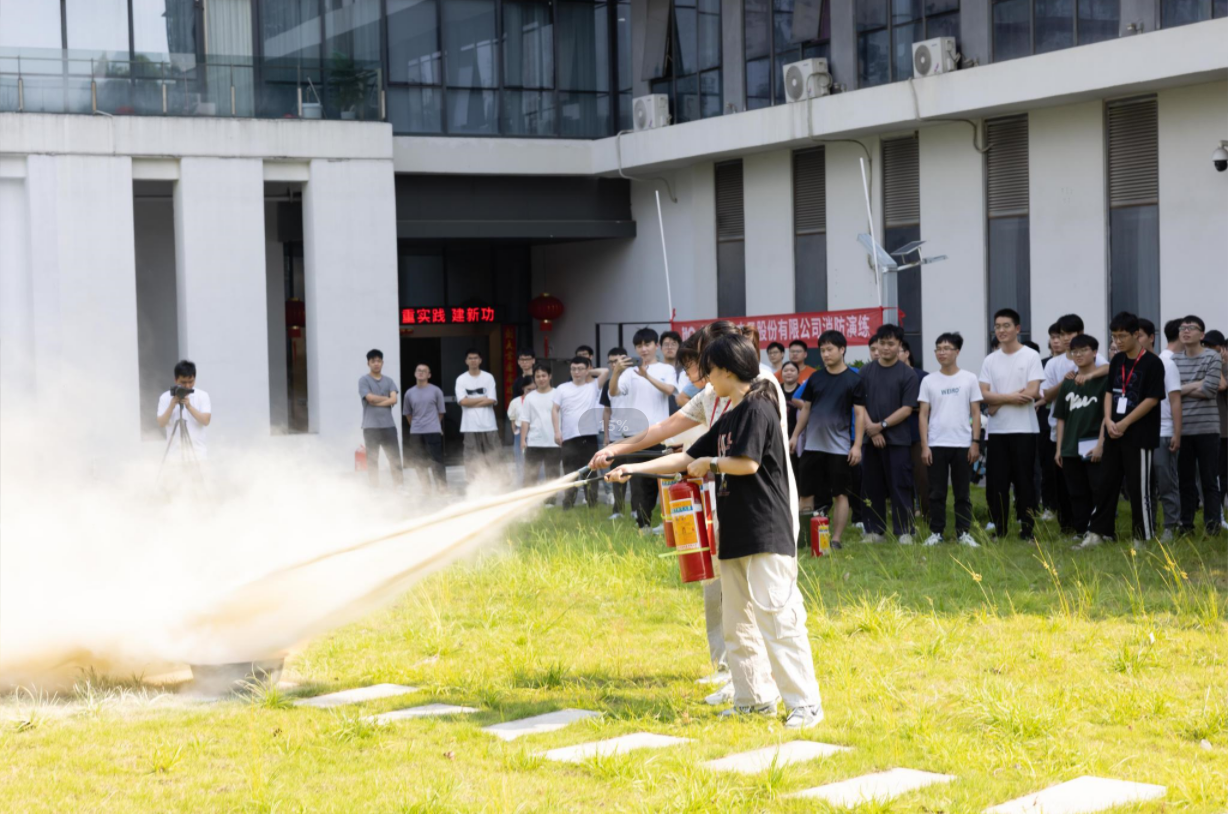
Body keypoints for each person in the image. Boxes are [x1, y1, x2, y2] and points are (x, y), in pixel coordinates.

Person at [606, 331, 823, 730]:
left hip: (765, 529)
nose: (704, 381)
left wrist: (712, 463)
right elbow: (683, 457)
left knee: (777, 616)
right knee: (736, 620)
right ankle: (753, 699)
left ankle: (805, 703)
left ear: (725, 371)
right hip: (733, 530)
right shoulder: (726, 417)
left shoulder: (760, 407)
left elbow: (747, 464)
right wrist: (632, 467)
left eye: (709, 372)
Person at [1077, 312, 1166, 549]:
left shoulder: (1153, 363)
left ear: (1137, 334)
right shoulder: (1116, 361)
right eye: (1114, 336)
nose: (1118, 341)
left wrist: (1125, 422)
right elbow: (1109, 392)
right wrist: (1107, 420)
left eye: (1123, 336)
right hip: (1113, 432)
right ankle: (1099, 532)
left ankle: (1142, 536)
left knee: (1140, 488)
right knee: (1106, 483)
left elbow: (1152, 399)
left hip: (1139, 434)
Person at [789, 330, 866, 547]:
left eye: (830, 349)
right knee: (805, 493)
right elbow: (806, 410)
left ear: (842, 350)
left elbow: (860, 414)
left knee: (840, 494)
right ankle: (803, 538)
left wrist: (857, 445)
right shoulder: (815, 378)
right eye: (822, 350)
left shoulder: (854, 379)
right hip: (812, 446)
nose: (825, 354)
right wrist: (795, 436)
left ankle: (836, 538)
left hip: (839, 448)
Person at [1038, 314, 1109, 533]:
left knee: (1095, 486)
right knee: (1069, 487)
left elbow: (1110, 371)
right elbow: (1050, 402)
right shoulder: (1055, 366)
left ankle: (1099, 529)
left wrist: (1087, 376)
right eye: (1062, 334)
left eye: (1071, 334)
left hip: (1092, 436)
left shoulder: (1100, 366)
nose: (1067, 339)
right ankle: (1073, 528)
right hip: (1065, 436)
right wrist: (1066, 381)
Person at [978, 309, 1045, 541]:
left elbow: (1033, 392)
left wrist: (998, 400)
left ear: (1017, 329)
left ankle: (1027, 529)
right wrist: (1009, 398)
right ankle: (999, 529)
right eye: (997, 326)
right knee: (997, 483)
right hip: (997, 431)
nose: (1001, 330)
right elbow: (984, 395)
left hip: (1025, 429)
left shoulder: (1030, 356)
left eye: (1006, 326)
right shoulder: (990, 359)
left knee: (1025, 482)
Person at [607, 327, 677, 532]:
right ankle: (643, 525)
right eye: (639, 346)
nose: (643, 349)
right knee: (638, 482)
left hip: (660, 434)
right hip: (634, 435)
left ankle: (666, 523)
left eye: (647, 344)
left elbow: (670, 391)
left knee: (661, 480)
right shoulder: (629, 372)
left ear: (656, 346)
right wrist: (617, 372)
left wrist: (646, 376)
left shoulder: (666, 369)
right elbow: (613, 391)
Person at [918, 333, 982, 546]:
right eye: (938, 349)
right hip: (936, 444)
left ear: (957, 351)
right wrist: (925, 446)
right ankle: (937, 532)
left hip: (962, 444)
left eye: (947, 348)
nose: (942, 352)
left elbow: (976, 413)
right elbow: (923, 415)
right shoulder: (929, 380)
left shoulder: (969, 378)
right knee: (936, 492)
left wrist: (975, 442)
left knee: (962, 492)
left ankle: (963, 532)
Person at [859, 324, 919, 544]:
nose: (885, 348)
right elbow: (859, 404)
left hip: (898, 440)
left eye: (890, 344)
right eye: (881, 343)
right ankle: (874, 530)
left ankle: (905, 531)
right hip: (869, 438)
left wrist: (881, 425)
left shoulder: (907, 374)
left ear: (899, 346)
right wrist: (871, 429)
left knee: (900, 485)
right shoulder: (866, 371)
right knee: (871, 485)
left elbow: (907, 408)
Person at [1173, 315, 1223, 536]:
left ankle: (1212, 526)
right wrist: (1196, 384)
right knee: (1185, 481)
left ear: (1201, 334)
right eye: (1182, 328)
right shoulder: (1174, 360)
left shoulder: (1213, 356)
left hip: (1208, 429)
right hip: (1182, 429)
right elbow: (1170, 393)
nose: (1185, 331)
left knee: (1209, 480)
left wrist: (1182, 389)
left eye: (1191, 328)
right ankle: (1186, 525)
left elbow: (1210, 390)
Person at [1143, 319, 1184, 539]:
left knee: (1166, 479)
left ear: (1151, 337)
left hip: (1164, 430)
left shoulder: (1165, 363)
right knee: (1144, 484)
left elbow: (1175, 400)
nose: (1136, 339)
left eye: (1140, 335)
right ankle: (1148, 525)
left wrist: (1176, 433)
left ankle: (1171, 524)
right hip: (1141, 433)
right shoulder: (1134, 365)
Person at [553, 355, 610, 508]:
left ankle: (592, 503)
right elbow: (554, 410)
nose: (576, 372)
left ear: (587, 370)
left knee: (591, 471)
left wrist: (589, 372)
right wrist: (557, 431)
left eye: (580, 369)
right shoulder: (562, 388)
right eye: (573, 369)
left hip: (589, 436)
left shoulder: (592, 387)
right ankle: (568, 504)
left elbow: (605, 371)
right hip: (569, 436)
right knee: (570, 472)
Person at [357, 349, 402, 488]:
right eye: (373, 361)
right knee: (372, 460)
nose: (376, 364)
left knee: (394, 458)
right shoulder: (364, 380)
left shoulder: (389, 381)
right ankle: (375, 488)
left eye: (378, 361)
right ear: (368, 363)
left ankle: (399, 487)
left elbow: (394, 400)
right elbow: (369, 398)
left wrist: (379, 401)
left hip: (388, 426)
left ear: (382, 362)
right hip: (370, 427)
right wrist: (387, 399)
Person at [455, 348, 500, 479]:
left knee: (493, 456)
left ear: (480, 360)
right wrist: (482, 398)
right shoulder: (461, 379)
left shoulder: (488, 377)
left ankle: (497, 482)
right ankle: (473, 485)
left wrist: (471, 401)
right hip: (469, 425)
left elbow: (492, 400)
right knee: (471, 458)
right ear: (466, 361)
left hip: (489, 425)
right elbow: (462, 402)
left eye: (475, 358)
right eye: (470, 358)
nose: (473, 360)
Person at [402, 362, 447, 494]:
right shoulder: (409, 393)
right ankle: (426, 488)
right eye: (418, 370)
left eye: (424, 370)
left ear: (429, 374)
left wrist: (434, 424)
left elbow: (441, 412)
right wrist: (416, 425)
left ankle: (441, 487)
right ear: (415, 373)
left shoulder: (436, 390)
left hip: (433, 430)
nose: (421, 372)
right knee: (419, 461)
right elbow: (407, 413)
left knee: (437, 460)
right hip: (416, 432)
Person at [157, 359, 212, 465]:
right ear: (176, 379)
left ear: (194, 379)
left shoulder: (202, 396)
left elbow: (206, 421)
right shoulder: (165, 397)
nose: (187, 386)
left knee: (198, 482)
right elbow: (161, 423)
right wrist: (171, 406)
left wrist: (189, 406)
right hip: (174, 457)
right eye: (183, 382)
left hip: (198, 455)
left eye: (190, 381)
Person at [520, 363, 562, 496]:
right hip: (534, 441)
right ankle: (528, 499)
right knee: (530, 474)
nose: (541, 379)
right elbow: (525, 420)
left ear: (550, 376)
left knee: (552, 473)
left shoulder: (558, 394)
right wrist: (523, 440)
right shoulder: (530, 397)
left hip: (553, 442)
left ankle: (550, 501)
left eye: (544, 375)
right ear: (534, 379)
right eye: (537, 376)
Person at [900, 340, 930, 524]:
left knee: (923, 478)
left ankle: (929, 515)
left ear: (907, 353)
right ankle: (906, 515)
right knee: (902, 478)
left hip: (918, 434)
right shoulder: (892, 375)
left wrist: (910, 408)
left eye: (899, 351)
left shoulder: (923, 377)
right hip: (897, 435)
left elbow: (927, 407)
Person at [512, 349, 538, 484]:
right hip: (521, 424)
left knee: (538, 457)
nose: (525, 362)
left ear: (533, 360)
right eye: (522, 360)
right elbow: (514, 406)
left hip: (538, 424)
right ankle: (523, 485)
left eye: (527, 359)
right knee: (521, 457)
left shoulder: (540, 377)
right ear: (518, 362)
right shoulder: (517, 381)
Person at [779, 360, 804, 486]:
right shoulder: (775, 390)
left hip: (799, 436)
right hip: (779, 435)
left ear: (798, 374)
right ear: (781, 373)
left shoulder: (802, 391)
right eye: (786, 370)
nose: (789, 373)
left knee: (797, 470)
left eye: (792, 370)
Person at [507, 375, 535, 487]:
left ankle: (538, 484)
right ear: (523, 388)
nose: (531, 392)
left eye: (534, 389)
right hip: (520, 432)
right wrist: (516, 432)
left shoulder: (540, 400)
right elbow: (513, 420)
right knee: (520, 460)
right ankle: (522, 485)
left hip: (536, 431)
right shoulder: (515, 402)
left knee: (537, 459)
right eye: (528, 389)